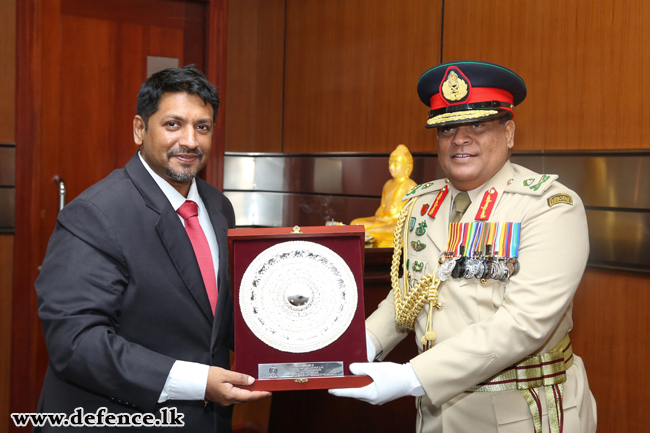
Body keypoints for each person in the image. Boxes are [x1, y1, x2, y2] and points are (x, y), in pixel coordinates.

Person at [330, 61, 597, 433]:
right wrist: (364, 343)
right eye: (447, 128)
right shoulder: (422, 203)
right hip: (437, 413)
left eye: (478, 125)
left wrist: (411, 377)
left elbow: (523, 323)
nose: (459, 139)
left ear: (509, 133)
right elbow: (410, 294)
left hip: (520, 411)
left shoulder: (548, 207)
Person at [35, 66, 270, 432]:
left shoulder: (218, 206)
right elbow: (76, 343)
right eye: (173, 124)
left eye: (203, 127)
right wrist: (196, 382)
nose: (190, 141)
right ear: (139, 129)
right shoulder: (95, 213)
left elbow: (218, 319)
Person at [351, 144, 417, 247]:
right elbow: (382, 207)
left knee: (400, 230)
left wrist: (393, 218)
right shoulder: (388, 184)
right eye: (390, 163)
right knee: (355, 223)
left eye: (396, 164)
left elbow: (411, 215)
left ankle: (371, 235)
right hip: (382, 221)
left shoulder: (410, 186)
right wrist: (381, 217)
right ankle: (370, 234)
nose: (391, 167)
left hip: (396, 224)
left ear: (407, 167)